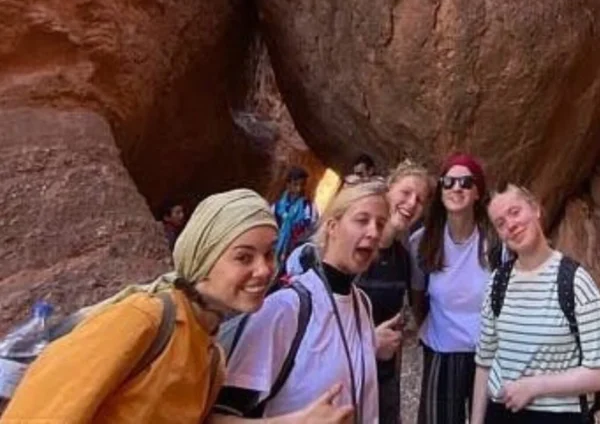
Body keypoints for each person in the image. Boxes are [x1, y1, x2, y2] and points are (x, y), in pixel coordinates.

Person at [0, 189, 296, 424]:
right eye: (244, 257)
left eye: (269, 254)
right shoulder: (144, 319)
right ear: (203, 260)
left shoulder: (211, 355)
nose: (264, 270)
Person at [212, 182, 387, 424]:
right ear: (332, 227)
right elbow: (217, 417)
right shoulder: (285, 309)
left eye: (380, 224)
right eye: (362, 220)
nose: (374, 232)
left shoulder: (362, 304)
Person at [471, 184, 600, 424]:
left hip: (560, 416)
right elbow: (484, 363)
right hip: (501, 413)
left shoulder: (574, 282)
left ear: (535, 209)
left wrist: (534, 387)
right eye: (500, 223)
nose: (511, 225)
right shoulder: (498, 282)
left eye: (515, 212)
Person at [409, 153, 501, 424]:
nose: (456, 188)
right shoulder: (423, 242)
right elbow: (417, 295)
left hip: (487, 354)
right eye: (448, 182)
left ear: (477, 193)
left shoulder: (496, 243)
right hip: (441, 351)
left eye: (465, 182)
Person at [353, 160, 433, 424]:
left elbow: (398, 321)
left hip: (383, 380)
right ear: (388, 189)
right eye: (406, 193)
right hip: (342, 380)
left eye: (420, 200)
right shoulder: (354, 249)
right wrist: (368, 345)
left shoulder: (401, 258)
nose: (411, 204)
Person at [273, 167, 318, 270]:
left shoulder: (309, 208)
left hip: (293, 255)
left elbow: (312, 232)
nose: (299, 189)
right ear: (288, 185)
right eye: (295, 185)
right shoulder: (277, 206)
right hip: (273, 250)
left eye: (302, 185)